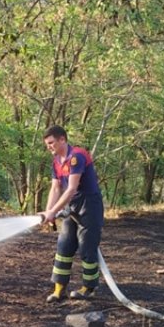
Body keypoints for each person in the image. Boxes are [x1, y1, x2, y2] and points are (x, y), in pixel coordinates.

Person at [37, 125, 104, 303]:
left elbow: (72, 188)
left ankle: (88, 288)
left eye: (51, 143)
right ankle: (59, 289)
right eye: (47, 144)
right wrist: (48, 211)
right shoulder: (56, 162)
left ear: (62, 140)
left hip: (89, 204)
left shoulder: (77, 156)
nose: (49, 146)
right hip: (71, 206)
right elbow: (56, 187)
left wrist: (53, 211)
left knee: (87, 246)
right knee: (64, 244)